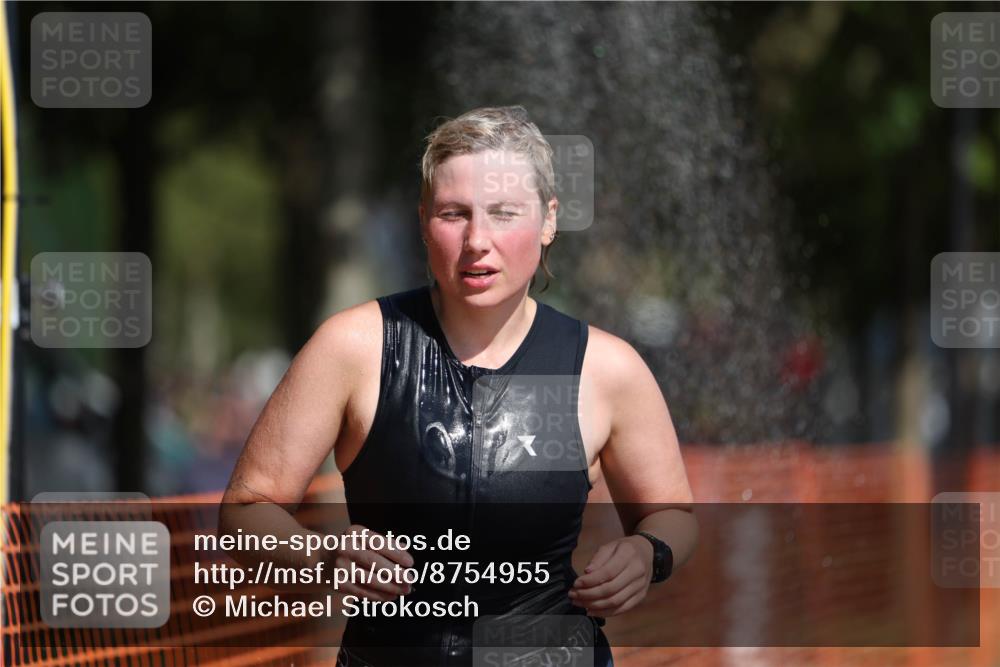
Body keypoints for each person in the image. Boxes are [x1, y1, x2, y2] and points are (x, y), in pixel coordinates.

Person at [220, 106, 697, 666]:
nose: (477, 241)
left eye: (503, 213)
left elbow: (674, 516)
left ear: (548, 221)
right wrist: (324, 553)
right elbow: (245, 511)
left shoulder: (605, 367)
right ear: (423, 220)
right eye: (454, 214)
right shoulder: (354, 348)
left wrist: (648, 553)